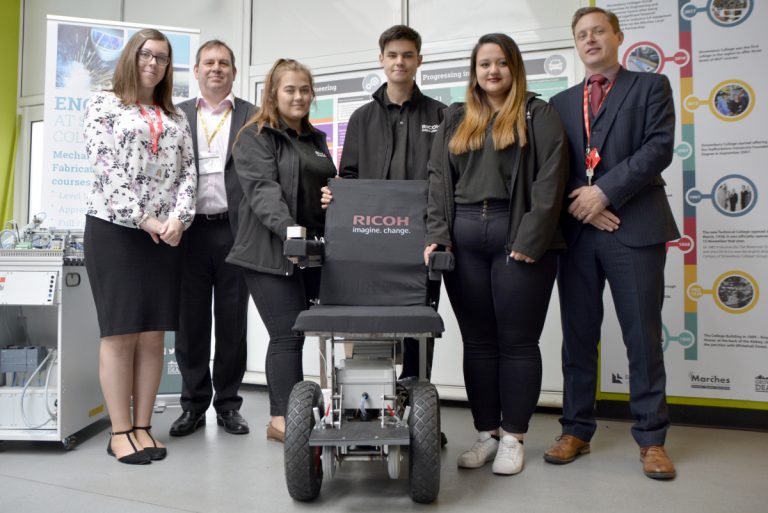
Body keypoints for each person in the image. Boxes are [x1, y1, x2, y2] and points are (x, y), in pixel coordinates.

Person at [545, 7, 680, 480]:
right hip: (579, 234)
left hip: (636, 230)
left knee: (641, 337)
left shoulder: (651, 88)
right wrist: (582, 204)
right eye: (581, 34)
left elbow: (657, 149)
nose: (590, 39)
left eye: (598, 31)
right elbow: (549, 171)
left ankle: (651, 439)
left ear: (618, 36)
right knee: (578, 337)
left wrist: (605, 192)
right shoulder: (558, 104)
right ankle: (576, 429)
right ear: (576, 44)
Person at [425, 33, 569, 475]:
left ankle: (513, 436)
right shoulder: (455, 118)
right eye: (484, 64)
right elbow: (437, 178)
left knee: (519, 341)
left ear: (515, 68)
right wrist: (438, 233)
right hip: (465, 235)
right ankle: (486, 433)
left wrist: (531, 238)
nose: (492, 71)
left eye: (501, 63)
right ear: (474, 72)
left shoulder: (536, 113)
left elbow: (551, 178)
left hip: (517, 233)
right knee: (480, 342)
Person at [83, 28, 197, 464]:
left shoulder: (175, 116)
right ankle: (119, 432)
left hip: (165, 235)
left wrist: (177, 219)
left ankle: (145, 426)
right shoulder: (102, 104)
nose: (153, 63)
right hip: (115, 230)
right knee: (120, 332)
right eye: (147, 55)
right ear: (132, 57)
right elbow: (105, 167)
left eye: (163, 58)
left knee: (153, 335)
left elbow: (189, 173)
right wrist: (143, 218)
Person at [321, 25, 445, 383]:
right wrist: (338, 194)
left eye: (407, 55)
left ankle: (417, 398)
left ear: (419, 60)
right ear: (381, 60)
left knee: (419, 323)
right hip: (371, 236)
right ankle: (370, 402)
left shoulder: (440, 116)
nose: (400, 62)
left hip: (422, 237)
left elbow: (444, 180)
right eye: (392, 55)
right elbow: (350, 176)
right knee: (370, 320)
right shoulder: (362, 117)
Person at [228, 59, 336, 443]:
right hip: (268, 252)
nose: (299, 96)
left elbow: (324, 187)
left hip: (310, 251)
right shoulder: (255, 136)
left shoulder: (317, 140)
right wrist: (290, 232)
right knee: (288, 335)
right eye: (290, 89)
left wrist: (332, 196)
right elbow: (262, 191)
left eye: (305, 89)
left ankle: (316, 409)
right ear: (273, 92)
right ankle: (281, 419)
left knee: (311, 333)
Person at [170, 40, 254, 438]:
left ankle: (228, 405)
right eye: (209, 63)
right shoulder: (175, 114)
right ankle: (192, 405)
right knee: (190, 323)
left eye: (224, 63)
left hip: (235, 231)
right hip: (188, 234)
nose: (216, 69)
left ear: (234, 72)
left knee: (232, 322)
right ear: (197, 70)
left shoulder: (253, 116)